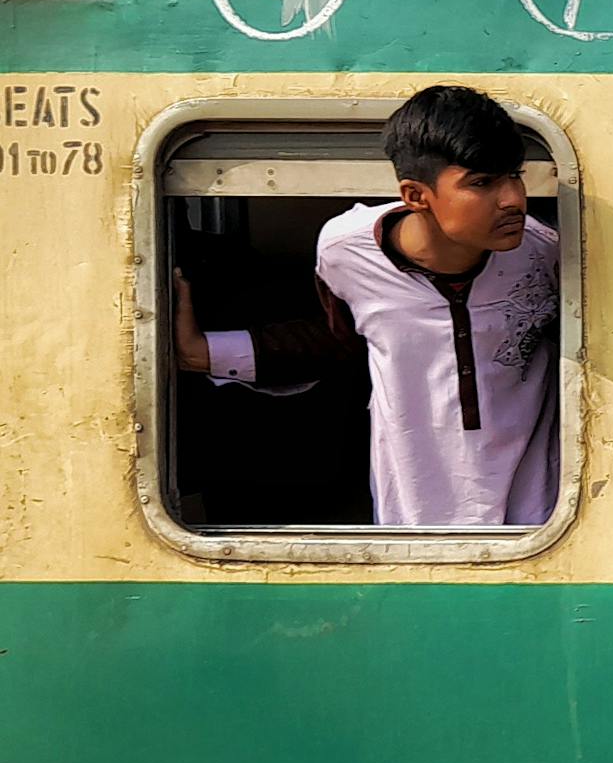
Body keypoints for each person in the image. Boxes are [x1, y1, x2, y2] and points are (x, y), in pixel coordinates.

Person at [172, 84, 560, 526]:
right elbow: (349, 339)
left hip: (538, 516)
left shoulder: (546, 252)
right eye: (482, 183)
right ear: (415, 196)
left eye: (515, 175)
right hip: (411, 517)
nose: (512, 199)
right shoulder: (345, 252)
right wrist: (206, 353)